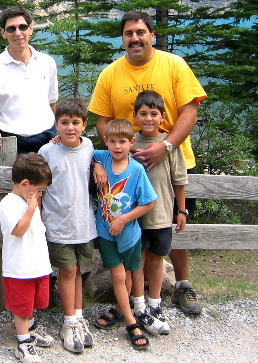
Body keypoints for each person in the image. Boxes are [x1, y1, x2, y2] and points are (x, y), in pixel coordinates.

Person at [88, 10, 207, 314]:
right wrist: (120, 153)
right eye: (128, 33)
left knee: (170, 227)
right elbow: (102, 120)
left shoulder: (174, 65)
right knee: (135, 236)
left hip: (170, 161)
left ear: (152, 35)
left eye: (140, 32)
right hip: (127, 166)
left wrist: (166, 146)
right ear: (123, 39)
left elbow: (190, 111)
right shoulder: (110, 74)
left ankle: (182, 284)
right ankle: (131, 299)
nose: (135, 38)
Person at [38, 98, 97, 354]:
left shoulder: (90, 147)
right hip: (58, 223)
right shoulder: (47, 151)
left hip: (83, 223)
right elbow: (39, 188)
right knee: (67, 271)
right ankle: (68, 321)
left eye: (75, 122)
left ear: (84, 124)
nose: (70, 127)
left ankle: (79, 316)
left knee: (80, 269)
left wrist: (100, 166)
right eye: (64, 123)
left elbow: (104, 156)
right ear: (56, 125)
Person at [92, 119, 157, 350]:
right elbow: (82, 149)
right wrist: (96, 165)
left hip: (128, 231)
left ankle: (120, 309)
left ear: (132, 142)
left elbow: (148, 202)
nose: (117, 146)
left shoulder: (136, 170)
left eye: (122, 142)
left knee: (129, 273)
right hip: (106, 232)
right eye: (112, 141)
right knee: (118, 276)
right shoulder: (103, 157)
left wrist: (123, 219)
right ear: (106, 142)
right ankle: (131, 322)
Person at [130, 90, 188, 335]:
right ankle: (138, 303)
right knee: (137, 260)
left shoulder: (169, 146)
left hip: (162, 214)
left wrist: (181, 210)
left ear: (163, 117)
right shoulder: (129, 141)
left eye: (154, 114)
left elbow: (179, 180)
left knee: (156, 260)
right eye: (143, 114)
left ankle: (155, 303)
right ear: (135, 116)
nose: (149, 118)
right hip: (135, 216)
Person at [0, 153, 55, 363]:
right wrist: (32, 208)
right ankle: (23, 343)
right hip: (19, 268)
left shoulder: (28, 199)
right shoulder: (9, 203)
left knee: (32, 302)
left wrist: (33, 206)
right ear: (24, 184)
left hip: (36, 264)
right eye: (39, 190)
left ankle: (31, 330)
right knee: (21, 307)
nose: (40, 195)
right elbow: (19, 230)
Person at [0, 6, 58, 155]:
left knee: (50, 179)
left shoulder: (47, 63)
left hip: (47, 139)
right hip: (9, 141)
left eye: (22, 27)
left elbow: (52, 104)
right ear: (3, 33)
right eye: (11, 29)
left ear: (31, 29)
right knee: (9, 179)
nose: (18, 33)